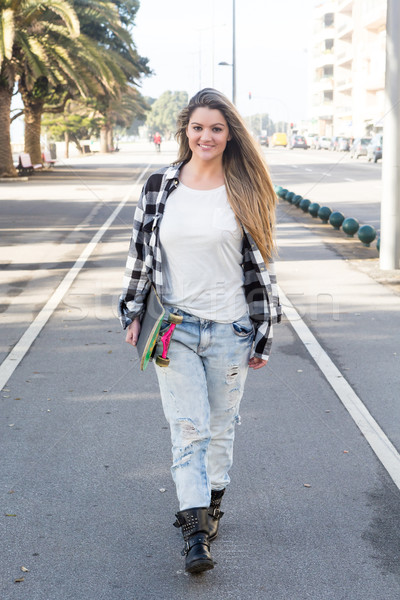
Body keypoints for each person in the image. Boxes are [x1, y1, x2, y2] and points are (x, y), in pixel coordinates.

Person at [118, 88, 281, 574]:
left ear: (230, 135)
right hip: (175, 329)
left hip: (231, 329)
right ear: (184, 132)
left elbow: (264, 267)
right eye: (197, 127)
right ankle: (194, 533)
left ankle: (210, 507)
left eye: (216, 128)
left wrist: (263, 332)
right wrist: (131, 312)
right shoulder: (159, 184)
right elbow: (140, 254)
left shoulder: (246, 189)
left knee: (219, 428)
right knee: (187, 430)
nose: (205, 136)